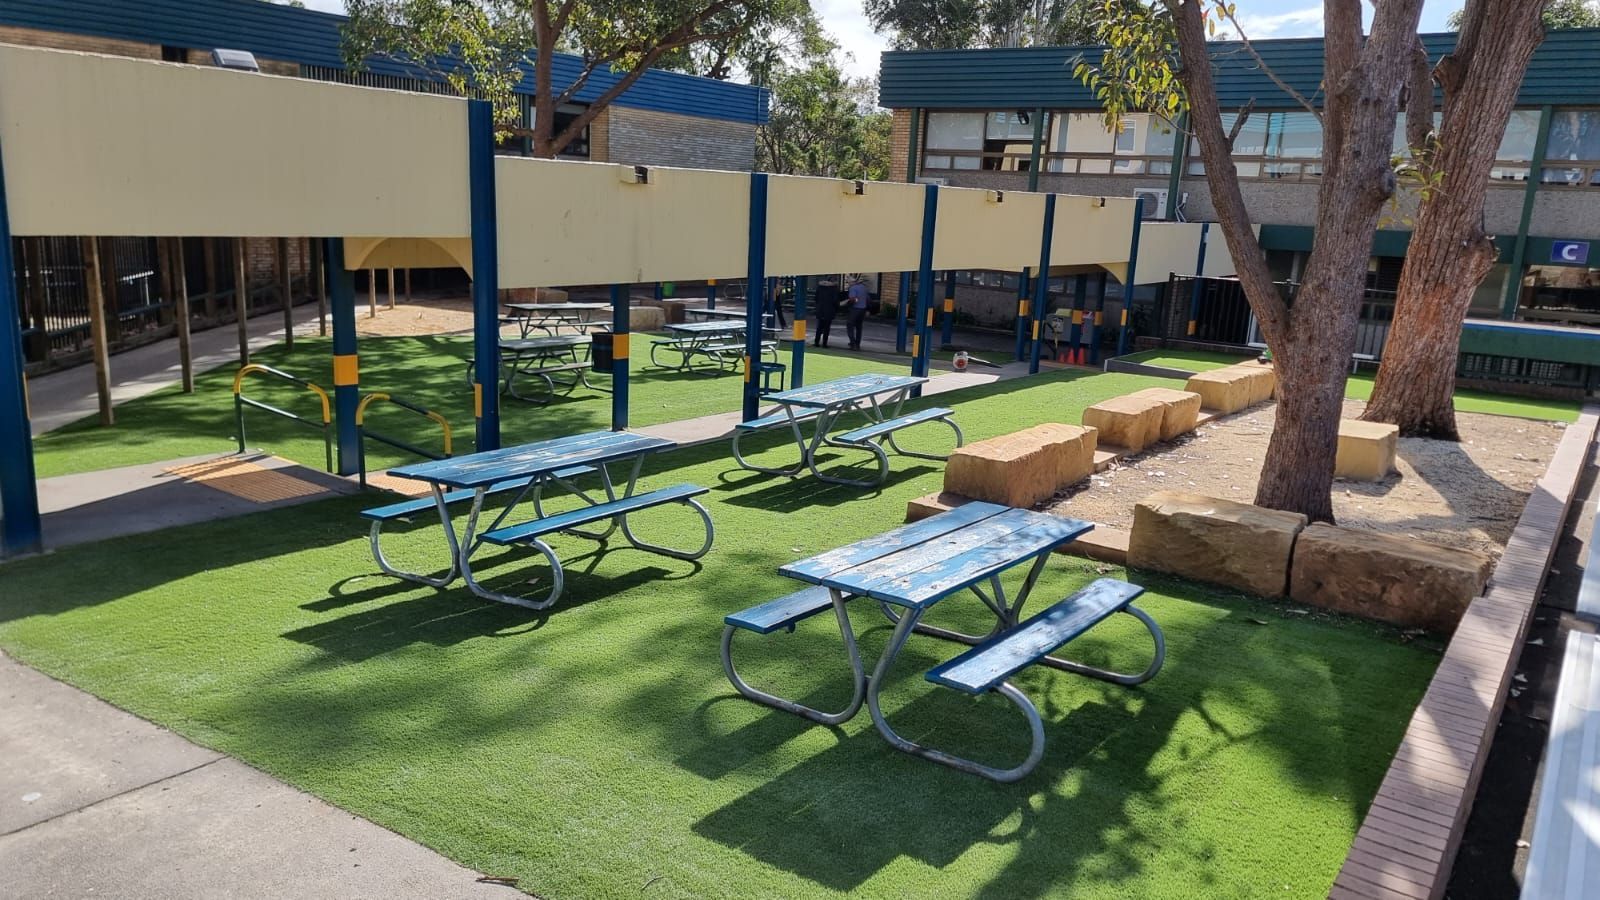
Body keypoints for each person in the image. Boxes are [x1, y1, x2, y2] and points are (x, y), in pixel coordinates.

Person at [812, 279, 840, 348]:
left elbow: (816, 298)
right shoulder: (833, 289)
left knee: (819, 327)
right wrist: (837, 308)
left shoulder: (820, 287)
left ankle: (816, 342)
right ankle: (824, 343)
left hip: (820, 309)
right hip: (829, 310)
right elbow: (835, 300)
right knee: (827, 328)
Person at [844, 275, 870, 350]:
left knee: (850, 326)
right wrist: (868, 309)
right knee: (859, 327)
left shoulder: (852, 288)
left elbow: (852, 299)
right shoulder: (863, 287)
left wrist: (847, 303)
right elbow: (868, 299)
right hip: (863, 309)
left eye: (848, 282)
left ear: (852, 282)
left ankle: (853, 343)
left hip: (854, 309)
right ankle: (858, 344)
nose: (848, 284)